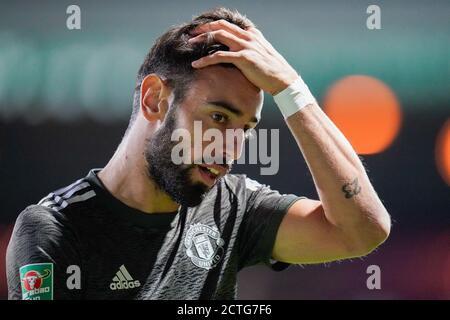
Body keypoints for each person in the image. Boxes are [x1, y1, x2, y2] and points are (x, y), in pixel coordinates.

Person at [7, 7, 390, 300]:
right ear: (154, 99)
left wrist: (291, 90)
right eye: (219, 117)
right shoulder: (55, 230)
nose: (230, 150)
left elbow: (362, 230)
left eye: (245, 129)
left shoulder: (234, 208)